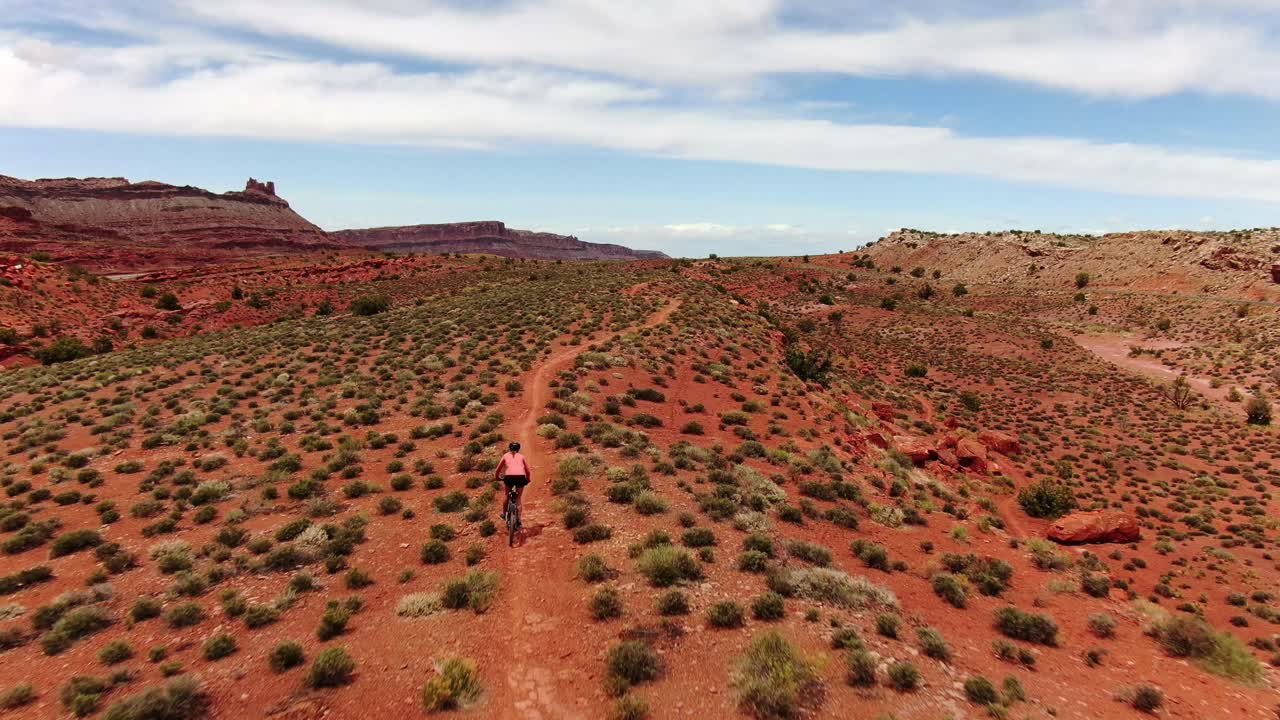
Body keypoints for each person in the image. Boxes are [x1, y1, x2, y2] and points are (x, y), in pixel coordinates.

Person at [495, 441, 532, 523]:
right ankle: (518, 518)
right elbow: (528, 471)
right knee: (518, 498)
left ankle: (504, 514)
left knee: (506, 495)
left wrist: (497, 477)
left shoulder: (505, 456)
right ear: (519, 449)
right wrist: (528, 479)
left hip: (509, 477)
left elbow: (498, 469)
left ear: (509, 448)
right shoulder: (522, 457)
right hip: (520, 477)